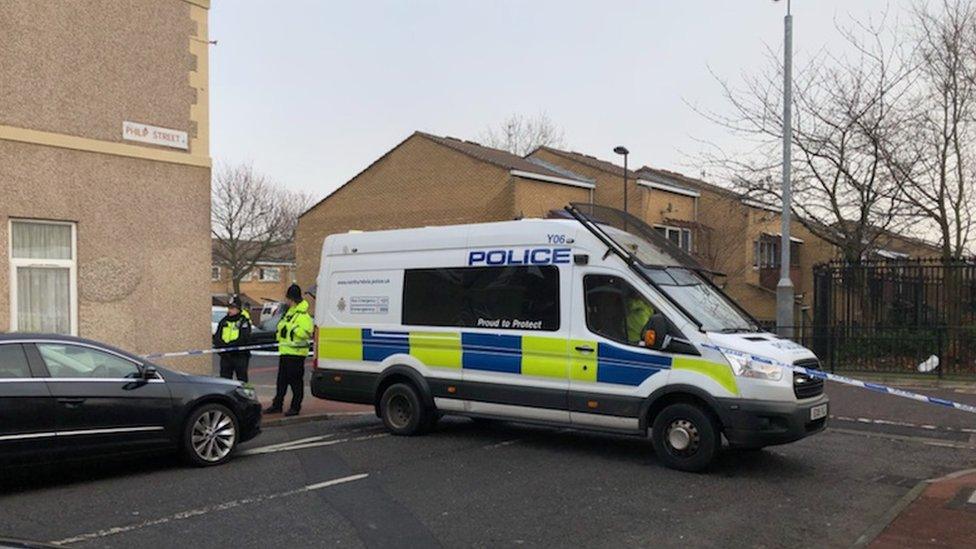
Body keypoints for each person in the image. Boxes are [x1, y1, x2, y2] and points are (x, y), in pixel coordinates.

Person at [266, 284, 313, 417]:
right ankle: (277, 405)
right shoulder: (288, 313)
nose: (286, 301)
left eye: (287, 298)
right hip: (285, 352)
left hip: (296, 354)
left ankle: (295, 407)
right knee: (281, 381)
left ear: (291, 299)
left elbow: (306, 333)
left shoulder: (303, 315)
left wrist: (292, 329)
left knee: (295, 382)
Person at [212, 296, 252, 382]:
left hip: (239, 356)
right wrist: (223, 348)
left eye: (232, 308)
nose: (229, 310)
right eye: (229, 308)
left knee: (242, 381)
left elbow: (244, 338)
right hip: (226, 357)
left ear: (238, 309)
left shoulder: (243, 322)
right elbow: (217, 337)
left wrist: (230, 346)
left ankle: (245, 395)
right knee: (225, 381)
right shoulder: (224, 321)